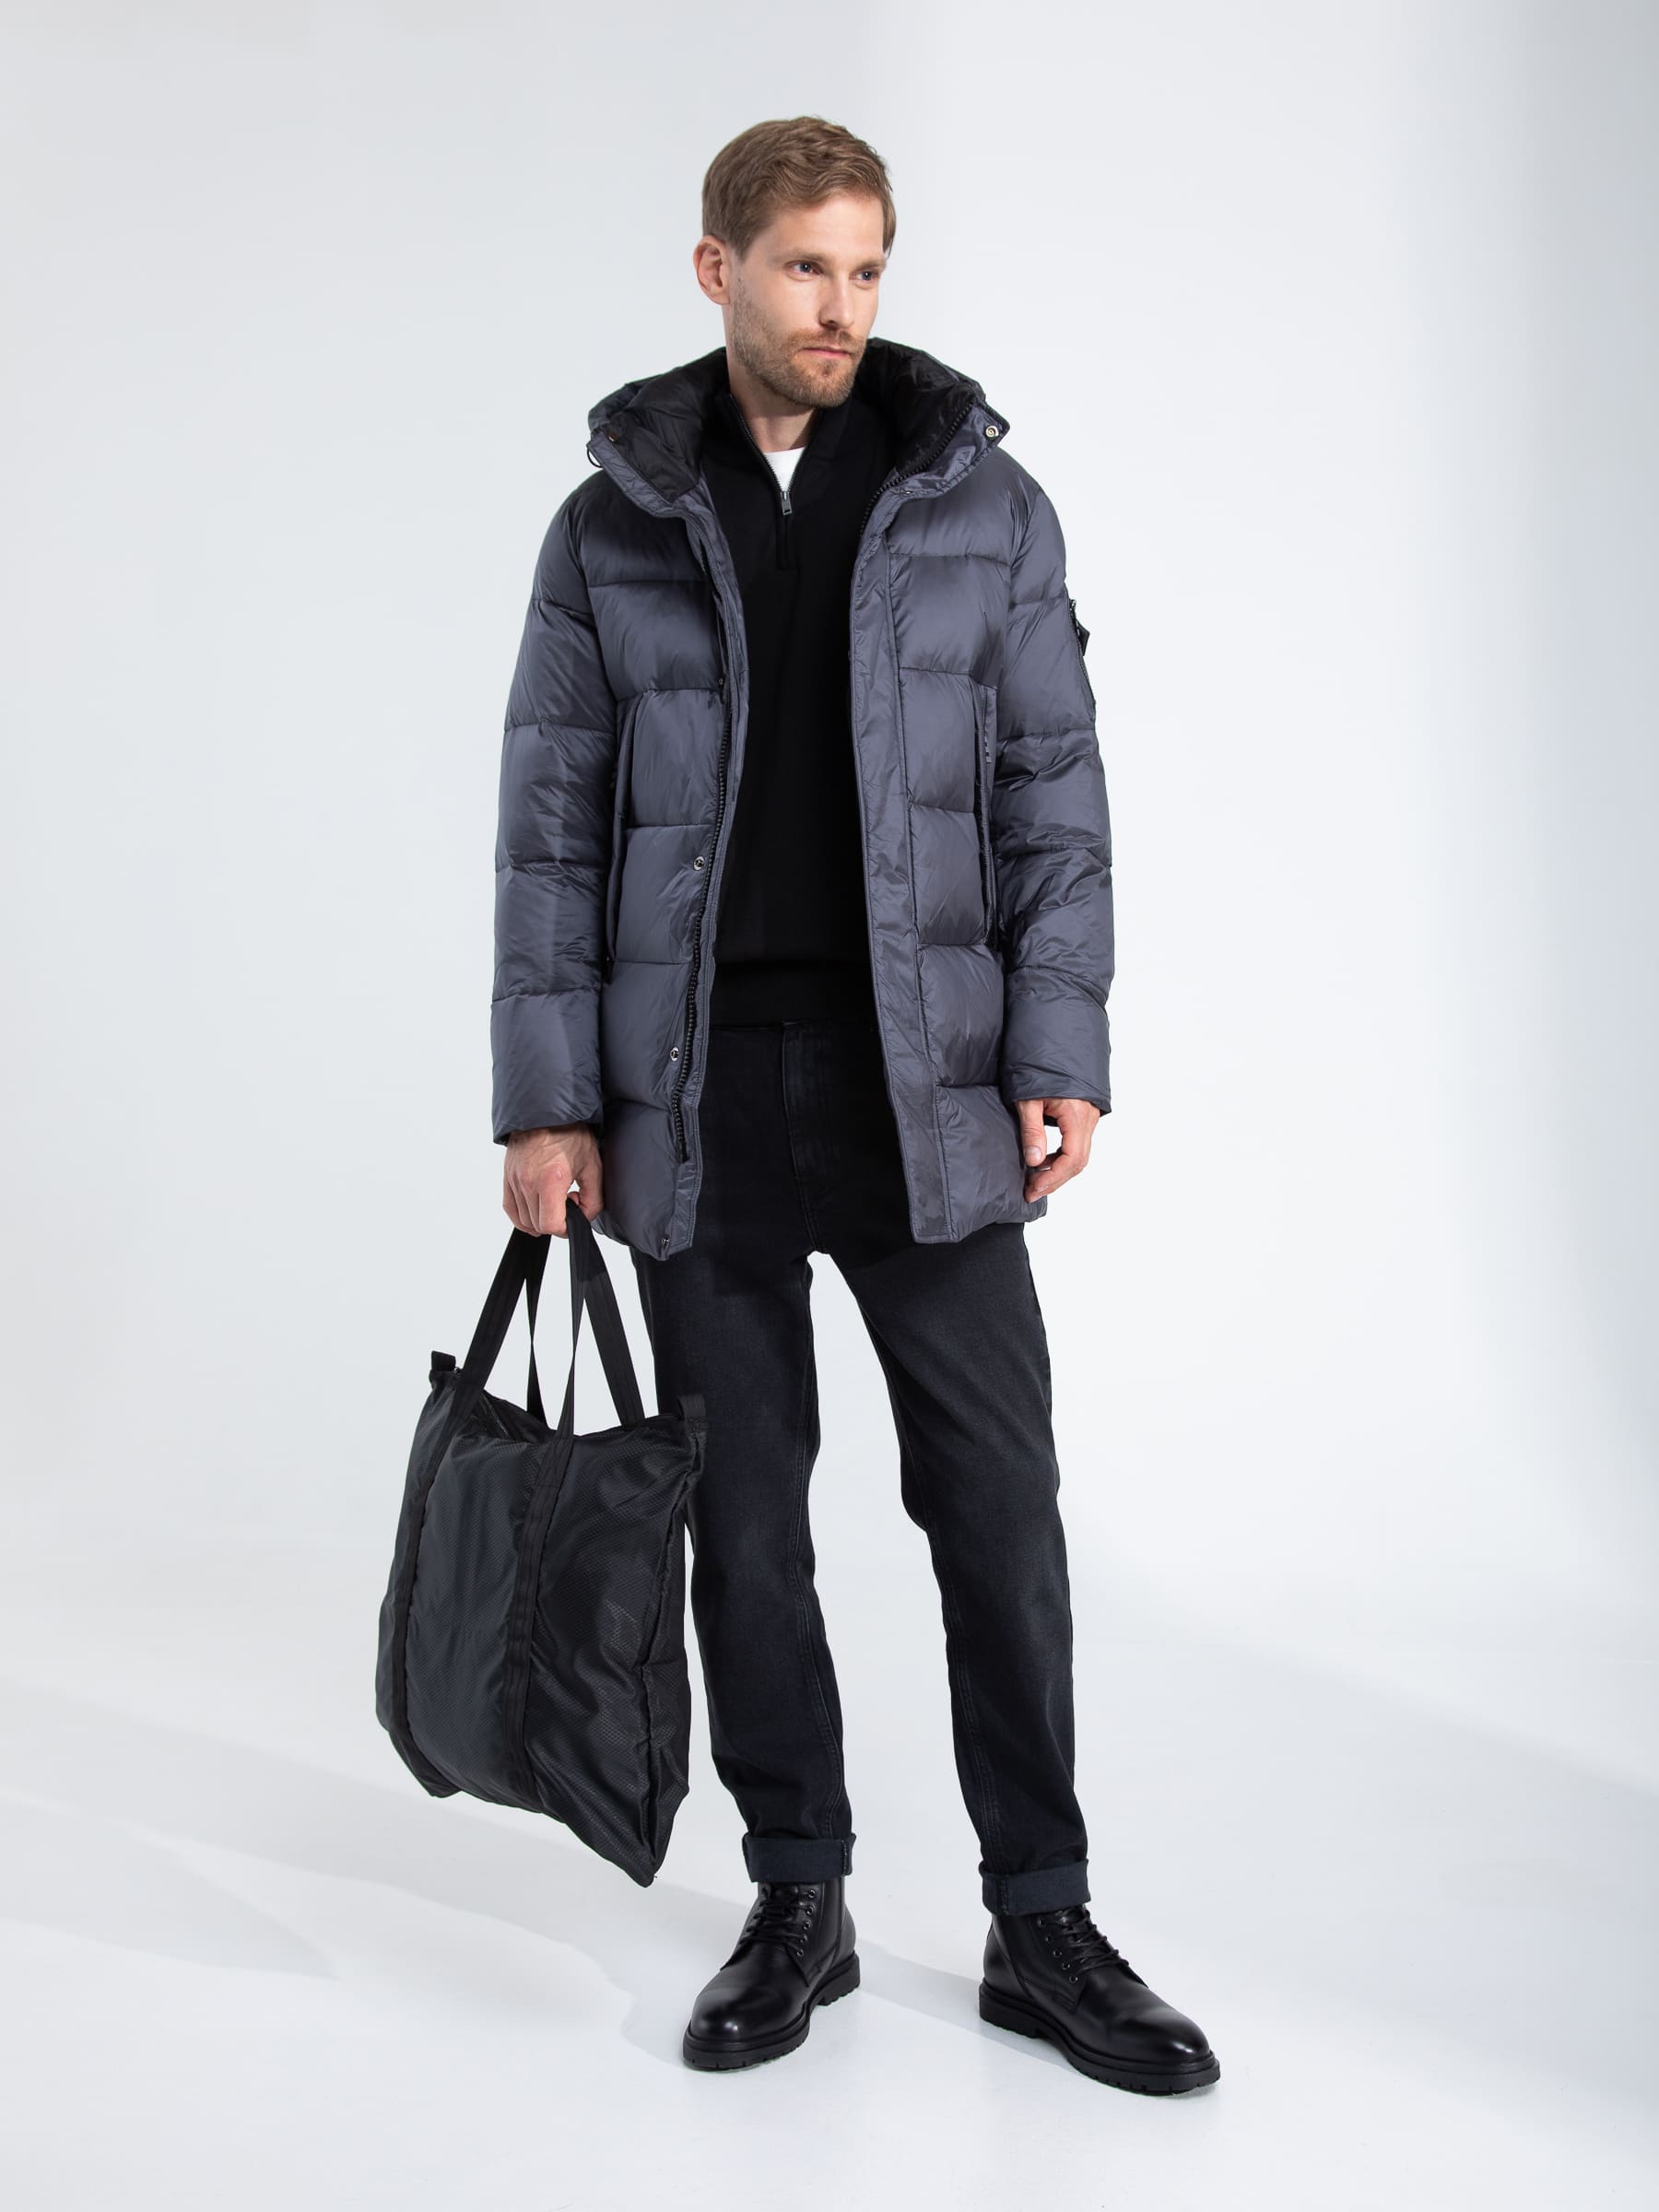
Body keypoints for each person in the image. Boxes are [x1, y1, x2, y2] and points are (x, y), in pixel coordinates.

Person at [492, 114, 1218, 2095]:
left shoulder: (983, 503)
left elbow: (1054, 795)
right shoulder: (612, 525)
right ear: (716, 268)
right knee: (743, 1526)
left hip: (932, 1088)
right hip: (696, 1094)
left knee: (997, 1507)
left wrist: (1057, 1044)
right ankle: (795, 1896)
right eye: (808, 266)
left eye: (869, 268)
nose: (843, 307)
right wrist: (550, 1107)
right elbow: (549, 830)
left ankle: (1043, 1920)